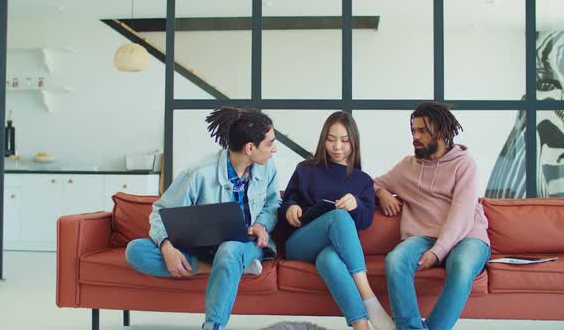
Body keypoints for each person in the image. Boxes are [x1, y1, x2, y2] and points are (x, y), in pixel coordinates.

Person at [125, 107, 281, 330]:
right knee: (135, 250)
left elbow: (273, 203)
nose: (274, 149)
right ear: (249, 148)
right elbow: (160, 212)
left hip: (246, 246)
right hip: (203, 248)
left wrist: (260, 224)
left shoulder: (268, 168)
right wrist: (167, 247)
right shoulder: (198, 173)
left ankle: (212, 325)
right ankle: (229, 267)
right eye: (270, 143)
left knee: (229, 251)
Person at [374, 102, 491, 330]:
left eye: (422, 131)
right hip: (423, 236)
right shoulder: (407, 166)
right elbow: (371, 183)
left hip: (466, 236)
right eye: (413, 131)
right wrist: (382, 192)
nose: (415, 137)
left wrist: (438, 253)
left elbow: (461, 216)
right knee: (395, 260)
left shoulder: (465, 165)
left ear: (441, 132)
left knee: (462, 266)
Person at [280, 111, 395, 330]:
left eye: (344, 140)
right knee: (339, 216)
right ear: (323, 140)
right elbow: (288, 200)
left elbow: (365, 220)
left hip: (330, 250)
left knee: (329, 260)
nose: (337, 146)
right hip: (301, 243)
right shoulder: (305, 169)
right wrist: (290, 207)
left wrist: (357, 205)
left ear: (354, 142)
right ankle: (368, 296)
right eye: (331, 139)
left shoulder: (362, 180)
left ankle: (362, 326)